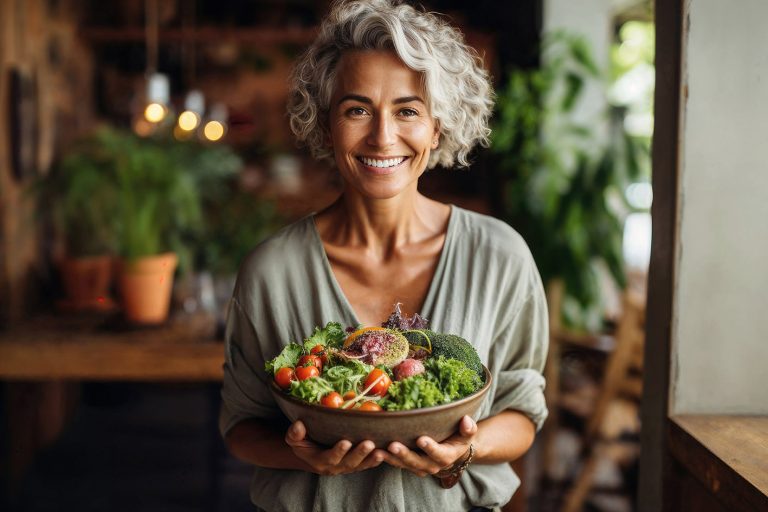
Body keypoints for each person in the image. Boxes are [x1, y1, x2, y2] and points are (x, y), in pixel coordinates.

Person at [219, 1, 548, 510]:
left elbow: (522, 414)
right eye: (356, 110)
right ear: (326, 125)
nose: (382, 136)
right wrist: (306, 458)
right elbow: (242, 427)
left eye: (408, 110)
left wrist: (467, 447)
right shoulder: (272, 271)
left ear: (437, 127)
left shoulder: (499, 256)